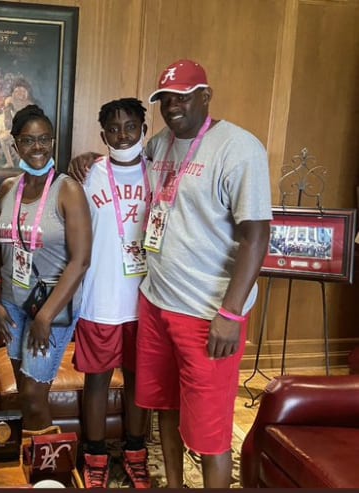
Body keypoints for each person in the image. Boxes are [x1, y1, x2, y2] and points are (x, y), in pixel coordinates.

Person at [71, 59, 272, 488]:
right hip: (156, 302)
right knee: (164, 407)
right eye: (166, 99)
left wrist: (232, 314)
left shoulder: (239, 148)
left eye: (184, 95)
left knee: (210, 432)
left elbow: (257, 236)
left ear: (206, 95)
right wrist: (88, 158)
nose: (174, 106)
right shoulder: (161, 144)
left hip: (206, 312)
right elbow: (122, 159)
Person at [0, 105, 91, 430]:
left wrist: (44, 317)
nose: (38, 148)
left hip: (51, 306)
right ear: (16, 144)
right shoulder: (8, 189)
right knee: (23, 391)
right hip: (12, 304)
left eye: (44, 139)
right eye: (29, 140)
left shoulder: (68, 190)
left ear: (52, 142)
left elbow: (81, 260)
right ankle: (26, 462)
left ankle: (49, 471)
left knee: (34, 395)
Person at [74, 98, 152, 489]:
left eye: (131, 126)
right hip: (100, 298)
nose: (123, 135)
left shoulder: (159, 174)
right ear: (103, 135)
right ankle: (96, 456)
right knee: (98, 382)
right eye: (114, 129)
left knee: (140, 380)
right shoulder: (88, 174)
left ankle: (137, 453)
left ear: (144, 128)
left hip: (147, 301)